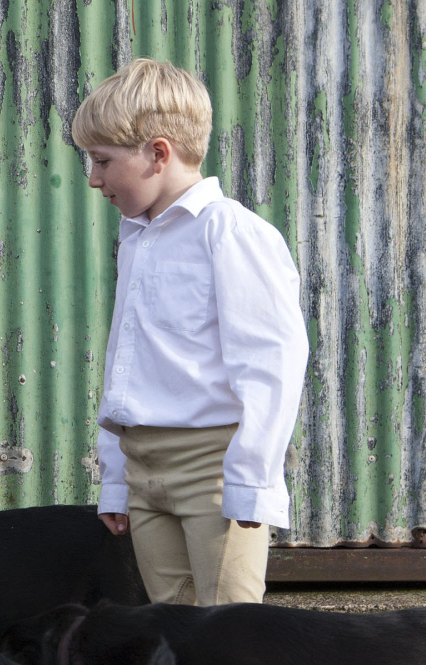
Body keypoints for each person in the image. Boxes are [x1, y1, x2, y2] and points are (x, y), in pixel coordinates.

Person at [76, 59, 308, 607]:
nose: (93, 178)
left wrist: (252, 479)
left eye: (103, 161)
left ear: (158, 153)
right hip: (144, 467)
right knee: (171, 626)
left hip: (213, 471)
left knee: (230, 633)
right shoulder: (138, 238)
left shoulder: (230, 232)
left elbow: (271, 358)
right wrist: (116, 478)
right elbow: (126, 363)